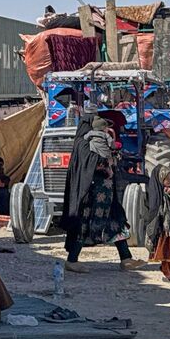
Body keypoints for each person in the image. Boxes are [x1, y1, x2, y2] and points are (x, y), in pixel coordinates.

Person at [62, 115, 146, 273]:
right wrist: (107, 163)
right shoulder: (83, 144)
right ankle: (72, 260)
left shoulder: (96, 142)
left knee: (116, 222)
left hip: (107, 194)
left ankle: (126, 259)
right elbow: (91, 165)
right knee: (83, 226)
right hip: (90, 196)